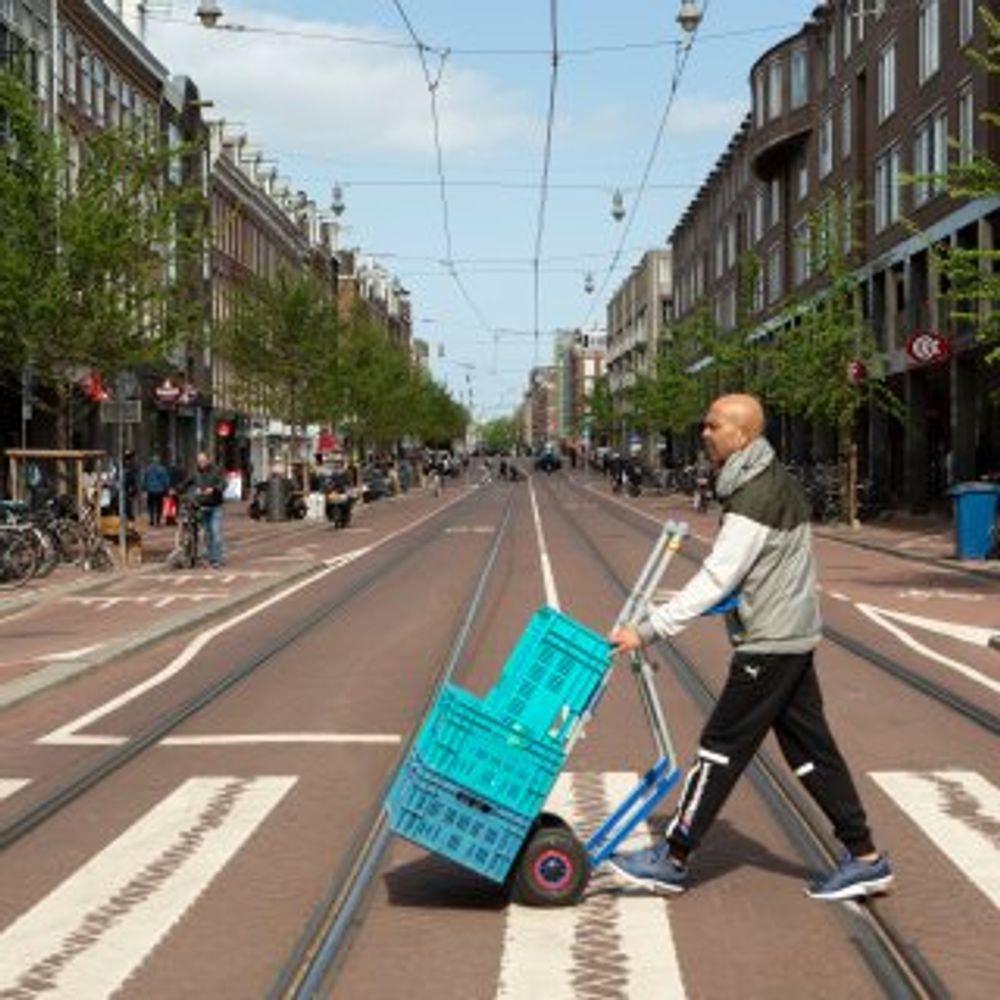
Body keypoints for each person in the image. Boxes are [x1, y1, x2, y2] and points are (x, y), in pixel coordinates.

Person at [608, 393, 893, 902]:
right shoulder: (764, 482)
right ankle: (865, 857)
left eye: (713, 425)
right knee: (811, 751)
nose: (704, 432)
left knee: (718, 749)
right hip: (791, 636)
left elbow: (720, 576)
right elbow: (758, 572)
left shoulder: (758, 494)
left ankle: (673, 858)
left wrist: (648, 628)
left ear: (740, 435)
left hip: (771, 645)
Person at [187, 451, 226, 568]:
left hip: (215, 506)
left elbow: (223, 483)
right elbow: (187, 483)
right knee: (207, 534)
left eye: (203, 461)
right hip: (202, 506)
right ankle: (211, 557)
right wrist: (175, 489)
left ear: (208, 460)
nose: (201, 463)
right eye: (199, 461)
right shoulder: (195, 472)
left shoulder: (216, 470)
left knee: (216, 533)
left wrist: (214, 489)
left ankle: (217, 559)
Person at [142, 454, 170, 528]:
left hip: (150, 490)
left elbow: (144, 480)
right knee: (159, 505)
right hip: (159, 490)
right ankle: (157, 520)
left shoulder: (148, 469)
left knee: (151, 505)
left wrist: (144, 489)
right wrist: (166, 489)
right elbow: (165, 480)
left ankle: (151, 519)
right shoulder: (162, 469)